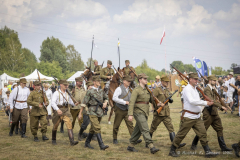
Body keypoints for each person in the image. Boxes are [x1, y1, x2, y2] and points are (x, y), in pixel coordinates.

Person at [168, 73, 216, 158]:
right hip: (188, 117)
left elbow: (197, 101)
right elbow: (191, 101)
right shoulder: (187, 89)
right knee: (181, 134)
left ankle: (207, 151)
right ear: (190, 79)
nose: (196, 80)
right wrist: (206, 103)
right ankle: (172, 150)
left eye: (197, 79)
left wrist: (205, 103)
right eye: (195, 79)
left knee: (203, 133)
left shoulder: (195, 89)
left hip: (197, 117)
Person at [190, 75, 232, 152]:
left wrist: (223, 104)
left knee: (219, 129)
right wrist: (221, 107)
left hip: (214, 112)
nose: (215, 82)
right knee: (203, 130)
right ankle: (194, 144)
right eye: (214, 80)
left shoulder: (213, 89)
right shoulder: (207, 89)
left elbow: (216, 100)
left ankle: (223, 147)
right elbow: (211, 101)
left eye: (215, 81)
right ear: (210, 81)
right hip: (208, 113)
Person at [149, 75, 186, 148]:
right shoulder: (157, 89)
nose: (167, 83)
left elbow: (169, 99)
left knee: (171, 128)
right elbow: (151, 99)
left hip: (166, 112)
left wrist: (170, 100)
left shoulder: (166, 90)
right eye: (166, 82)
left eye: (168, 82)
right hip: (159, 113)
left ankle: (175, 144)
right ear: (162, 82)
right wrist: (158, 104)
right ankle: (148, 142)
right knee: (153, 128)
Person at [127, 73, 160, 154]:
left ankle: (130, 146)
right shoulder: (136, 90)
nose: (146, 80)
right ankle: (151, 146)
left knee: (138, 130)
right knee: (145, 129)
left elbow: (151, 100)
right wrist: (130, 114)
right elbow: (131, 102)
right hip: (138, 112)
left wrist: (158, 102)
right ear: (140, 80)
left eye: (146, 79)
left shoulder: (147, 90)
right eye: (144, 79)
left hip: (145, 112)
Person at [112, 75, 142, 144]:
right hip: (119, 109)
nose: (129, 82)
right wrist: (124, 102)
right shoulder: (119, 89)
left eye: (130, 81)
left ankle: (134, 139)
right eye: (128, 81)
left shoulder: (130, 89)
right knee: (116, 125)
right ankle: (115, 138)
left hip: (127, 110)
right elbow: (114, 98)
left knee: (130, 125)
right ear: (124, 81)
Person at [82, 76, 109, 150]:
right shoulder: (89, 91)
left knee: (93, 128)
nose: (99, 82)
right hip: (92, 111)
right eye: (98, 81)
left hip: (100, 111)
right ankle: (101, 145)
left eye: (99, 81)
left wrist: (105, 103)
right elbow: (84, 102)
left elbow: (106, 98)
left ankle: (87, 143)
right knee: (97, 127)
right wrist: (80, 113)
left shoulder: (101, 91)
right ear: (94, 82)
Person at [51, 79, 79, 146]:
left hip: (66, 110)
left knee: (69, 124)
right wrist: (57, 110)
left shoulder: (68, 93)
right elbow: (52, 103)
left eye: (67, 85)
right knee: (55, 125)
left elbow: (69, 102)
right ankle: (53, 140)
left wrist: (74, 104)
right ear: (61, 85)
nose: (66, 86)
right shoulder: (56, 93)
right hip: (59, 110)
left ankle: (72, 141)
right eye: (65, 85)